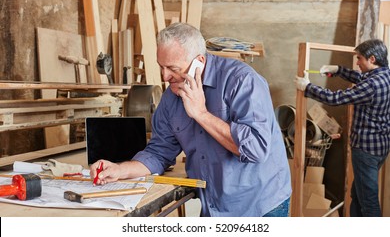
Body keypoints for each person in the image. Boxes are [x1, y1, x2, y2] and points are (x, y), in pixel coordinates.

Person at [91, 22, 291, 217]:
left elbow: (256, 149)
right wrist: (119, 170)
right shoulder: (171, 98)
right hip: (214, 204)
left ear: (199, 62)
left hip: (260, 204)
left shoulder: (242, 81)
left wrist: (201, 114)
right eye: (161, 67)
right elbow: (159, 153)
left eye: (172, 68)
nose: (165, 76)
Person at [294, 39, 390, 217]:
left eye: (359, 59)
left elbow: (335, 99)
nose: (357, 63)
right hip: (380, 147)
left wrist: (308, 87)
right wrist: (338, 70)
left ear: (373, 59)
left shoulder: (372, 85)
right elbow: (361, 77)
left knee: (368, 202)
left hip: (366, 150)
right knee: (358, 195)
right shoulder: (384, 76)